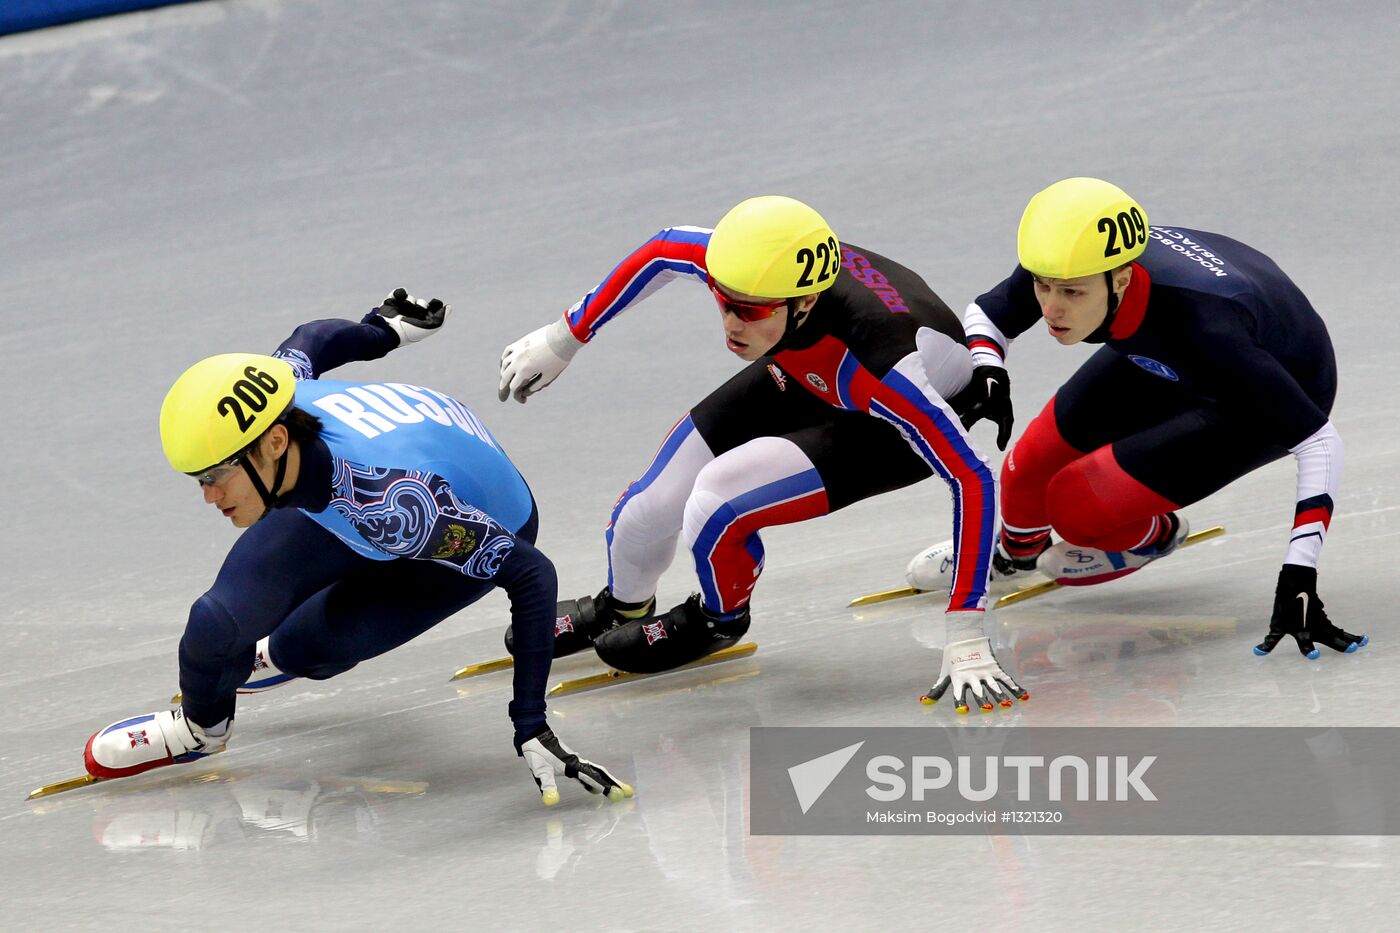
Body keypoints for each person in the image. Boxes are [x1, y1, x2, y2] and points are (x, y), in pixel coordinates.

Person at [83, 291, 633, 806]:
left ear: (275, 442)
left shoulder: (395, 505)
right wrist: (383, 330)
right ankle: (202, 729)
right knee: (216, 624)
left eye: (218, 474)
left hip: (462, 511)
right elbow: (313, 338)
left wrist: (531, 724)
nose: (209, 496)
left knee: (307, 649)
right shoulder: (279, 392)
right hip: (388, 464)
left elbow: (532, 575)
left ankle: (283, 654)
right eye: (197, 479)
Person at [497, 195, 1026, 712]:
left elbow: (973, 476)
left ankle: (717, 620)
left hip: (880, 423)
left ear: (807, 302)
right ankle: (621, 606)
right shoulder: (749, 263)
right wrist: (565, 336)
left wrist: (965, 631)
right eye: (723, 301)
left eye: (748, 310)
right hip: (803, 369)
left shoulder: (885, 361)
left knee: (716, 500)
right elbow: (660, 250)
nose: (731, 323)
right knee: (646, 509)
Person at [908, 177, 1367, 660]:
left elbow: (1321, 444)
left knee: (1075, 506)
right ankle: (1015, 556)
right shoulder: (1076, 261)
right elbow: (987, 312)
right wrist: (990, 371)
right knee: (1026, 470)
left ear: (1122, 279)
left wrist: (1299, 574)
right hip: (1166, 351)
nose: (1050, 309)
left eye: (1070, 294)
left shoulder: (1207, 325)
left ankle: (1156, 534)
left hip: (1256, 391)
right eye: (1042, 287)